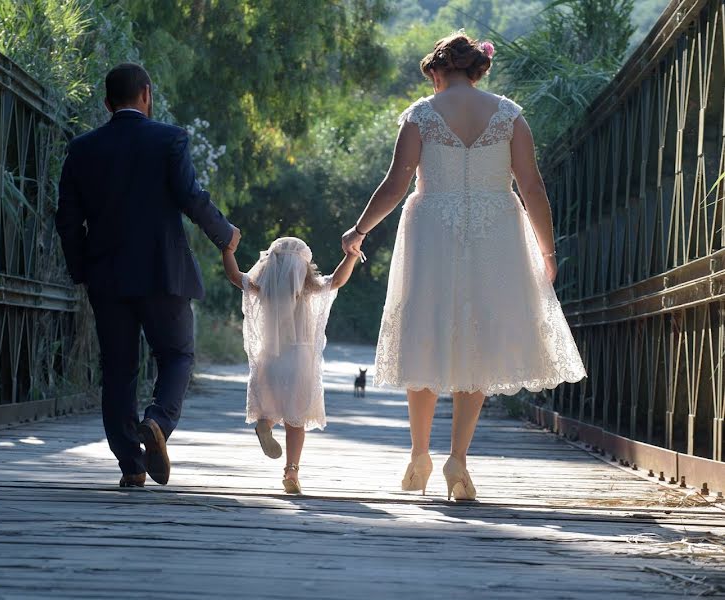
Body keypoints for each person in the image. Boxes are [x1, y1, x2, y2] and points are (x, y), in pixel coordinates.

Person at [341, 33, 586, 501]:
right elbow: (533, 188)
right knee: (478, 342)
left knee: (425, 332)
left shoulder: (421, 115)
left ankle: (419, 453)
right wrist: (546, 252)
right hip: (497, 229)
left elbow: (395, 185)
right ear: (477, 70)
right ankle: (459, 459)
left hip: (434, 229)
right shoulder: (510, 115)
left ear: (437, 72)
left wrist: (359, 230)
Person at [55, 63, 241, 488]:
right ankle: (156, 421)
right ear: (147, 94)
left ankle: (131, 467)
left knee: (118, 369)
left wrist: (82, 269)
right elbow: (191, 198)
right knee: (176, 356)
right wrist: (225, 235)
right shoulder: (169, 139)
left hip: (107, 276)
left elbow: (67, 219)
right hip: (163, 272)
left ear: (106, 103)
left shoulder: (82, 149)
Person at [222, 237, 357, 494]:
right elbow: (336, 280)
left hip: (270, 361)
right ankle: (291, 471)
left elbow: (234, 275)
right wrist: (350, 255)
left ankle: (266, 423)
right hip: (299, 363)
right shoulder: (308, 289)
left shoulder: (263, 288)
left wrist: (227, 250)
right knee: (296, 422)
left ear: (269, 266)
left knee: (272, 408)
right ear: (303, 268)